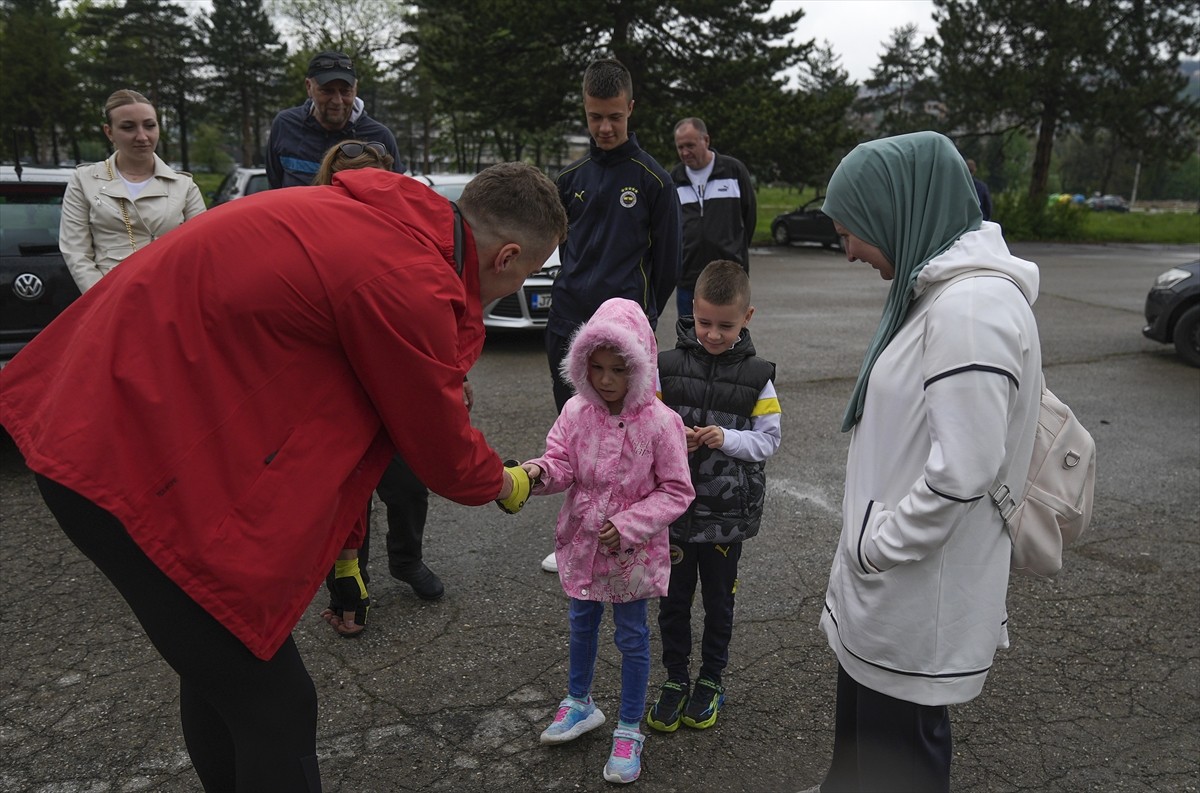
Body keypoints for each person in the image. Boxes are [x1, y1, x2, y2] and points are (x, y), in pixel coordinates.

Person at [0, 161, 565, 792]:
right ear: (507, 256)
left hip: (104, 423)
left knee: (221, 680)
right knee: (276, 706)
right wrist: (506, 482)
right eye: (524, 273)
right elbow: (440, 450)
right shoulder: (407, 275)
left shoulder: (367, 218)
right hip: (116, 460)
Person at [803, 131, 1043, 793]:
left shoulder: (971, 310)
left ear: (895, 210)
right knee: (863, 756)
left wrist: (878, 546)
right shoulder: (940, 294)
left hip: (912, 596)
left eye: (851, 231)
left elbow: (964, 469)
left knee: (898, 764)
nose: (848, 249)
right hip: (889, 593)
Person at [513, 297, 694, 784]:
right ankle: (579, 701)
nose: (607, 379)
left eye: (619, 369)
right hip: (582, 544)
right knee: (581, 622)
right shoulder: (576, 412)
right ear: (582, 364)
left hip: (633, 556)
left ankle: (630, 728)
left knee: (632, 636)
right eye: (597, 368)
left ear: (641, 366)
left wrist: (631, 523)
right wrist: (535, 473)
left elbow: (677, 490)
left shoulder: (661, 423)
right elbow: (561, 463)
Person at [540, 57, 682, 574]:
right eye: (595, 116)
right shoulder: (569, 179)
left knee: (623, 440)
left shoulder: (653, 181)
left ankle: (628, 532)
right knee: (575, 436)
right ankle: (577, 538)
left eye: (614, 117)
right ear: (585, 109)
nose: (604, 127)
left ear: (631, 109)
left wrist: (639, 321)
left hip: (622, 338)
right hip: (567, 327)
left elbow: (668, 265)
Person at [309, 141, 451, 618]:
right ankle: (348, 588)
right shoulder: (318, 229)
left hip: (394, 386)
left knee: (408, 486)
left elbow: (430, 308)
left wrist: (454, 373)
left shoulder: (407, 230)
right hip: (337, 389)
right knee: (346, 496)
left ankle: (407, 560)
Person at [646, 259, 781, 733]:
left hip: (726, 516)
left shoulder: (758, 376)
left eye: (726, 325)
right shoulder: (664, 367)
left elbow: (768, 440)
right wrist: (671, 439)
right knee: (673, 602)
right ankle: (675, 678)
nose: (714, 334)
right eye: (705, 322)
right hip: (675, 513)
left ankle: (711, 679)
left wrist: (727, 438)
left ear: (747, 317)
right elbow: (646, 427)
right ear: (692, 312)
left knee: (719, 602)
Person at [60, 89, 205, 293]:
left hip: (172, 296)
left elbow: (201, 248)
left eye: (150, 125)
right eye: (128, 127)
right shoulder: (84, 180)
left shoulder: (184, 185)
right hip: (110, 297)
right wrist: (103, 298)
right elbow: (76, 251)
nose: (142, 136)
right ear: (109, 132)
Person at [266, 51, 404, 189]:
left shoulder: (380, 138)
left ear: (356, 88)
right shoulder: (285, 126)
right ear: (309, 86)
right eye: (327, 91)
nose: (337, 101)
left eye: (345, 91)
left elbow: (395, 194)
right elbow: (275, 186)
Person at [670, 119, 757, 318]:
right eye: (680, 147)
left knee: (728, 333)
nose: (685, 152)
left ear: (706, 140)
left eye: (690, 145)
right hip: (689, 279)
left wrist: (735, 249)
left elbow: (749, 217)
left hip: (730, 277)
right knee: (689, 333)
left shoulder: (734, 171)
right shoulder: (674, 178)